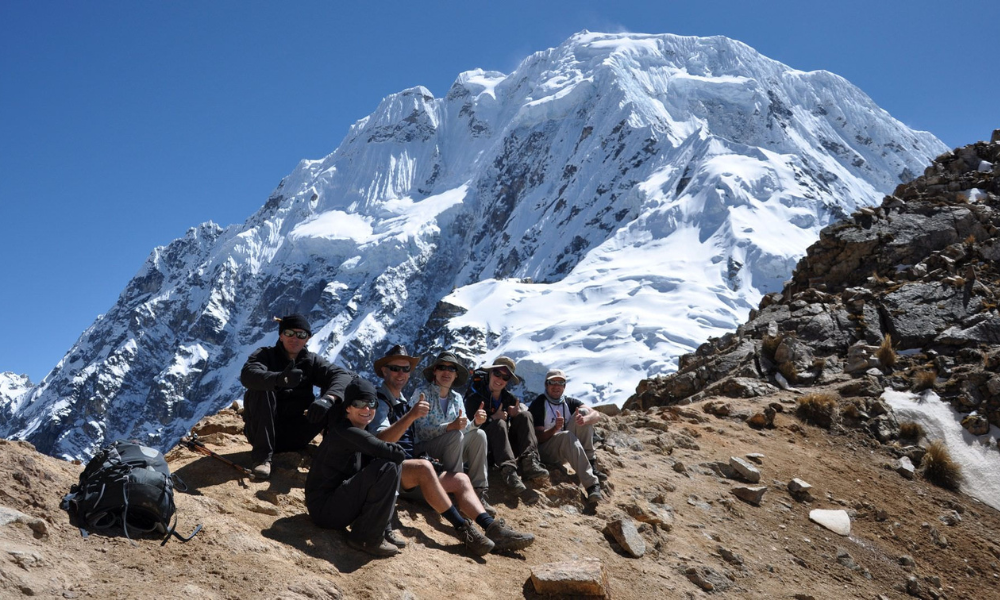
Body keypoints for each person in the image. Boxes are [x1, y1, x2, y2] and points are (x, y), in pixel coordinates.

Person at [368, 344, 535, 555]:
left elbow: (460, 430)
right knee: (431, 460)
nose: (401, 374)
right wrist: (423, 420)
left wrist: (475, 423)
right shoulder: (384, 400)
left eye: (405, 369)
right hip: (398, 471)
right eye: (395, 368)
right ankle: (463, 527)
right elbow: (382, 440)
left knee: (462, 477)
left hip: (418, 464)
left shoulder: (405, 400)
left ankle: (492, 528)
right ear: (435, 372)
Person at [240, 314, 353, 479]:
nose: (295, 338)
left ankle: (333, 457)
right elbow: (248, 375)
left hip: (296, 433)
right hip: (261, 433)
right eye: (289, 333)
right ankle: (262, 459)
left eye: (301, 335)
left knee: (341, 395)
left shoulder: (311, 361)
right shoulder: (265, 355)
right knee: (261, 388)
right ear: (280, 335)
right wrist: (279, 379)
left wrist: (327, 399)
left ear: (307, 338)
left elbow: (342, 376)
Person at [304, 376, 404, 558]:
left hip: (333, 504)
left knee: (387, 465)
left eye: (372, 403)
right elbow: (394, 453)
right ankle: (366, 539)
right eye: (359, 403)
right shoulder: (346, 432)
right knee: (388, 466)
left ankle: (382, 528)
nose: (367, 409)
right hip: (325, 511)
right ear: (348, 407)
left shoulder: (358, 431)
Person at [409, 351, 493, 511]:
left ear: (456, 375)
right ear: (435, 371)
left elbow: (464, 427)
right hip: (424, 450)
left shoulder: (457, 398)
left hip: (451, 446)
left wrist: (476, 422)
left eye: (451, 369)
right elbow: (419, 431)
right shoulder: (422, 393)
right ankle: (457, 494)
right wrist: (449, 427)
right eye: (442, 367)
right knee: (454, 435)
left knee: (479, 434)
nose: (446, 372)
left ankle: (478, 491)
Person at [464, 357, 548, 502]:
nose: (500, 379)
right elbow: (469, 429)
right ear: (490, 373)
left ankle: (529, 461)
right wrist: (492, 418)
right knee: (499, 424)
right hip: (485, 449)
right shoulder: (475, 397)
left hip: (503, 447)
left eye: (505, 377)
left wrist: (515, 416)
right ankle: (509, 472)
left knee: (525, 415)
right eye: (497, 373)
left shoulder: (509, 399)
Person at [528, 369, 605, 503]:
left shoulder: (569, 402)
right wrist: (554, 429)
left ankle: (591, 465)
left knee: (583, 412)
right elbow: (538, 438)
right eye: (552, 382)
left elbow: (596, 414)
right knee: (567, 436)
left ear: (564, 386)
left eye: (560, 383)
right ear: (546, 385)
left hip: (565, 448)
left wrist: (585, 420)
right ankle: (592, 485)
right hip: (545, 451)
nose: (556, 386)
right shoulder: (539, 404)